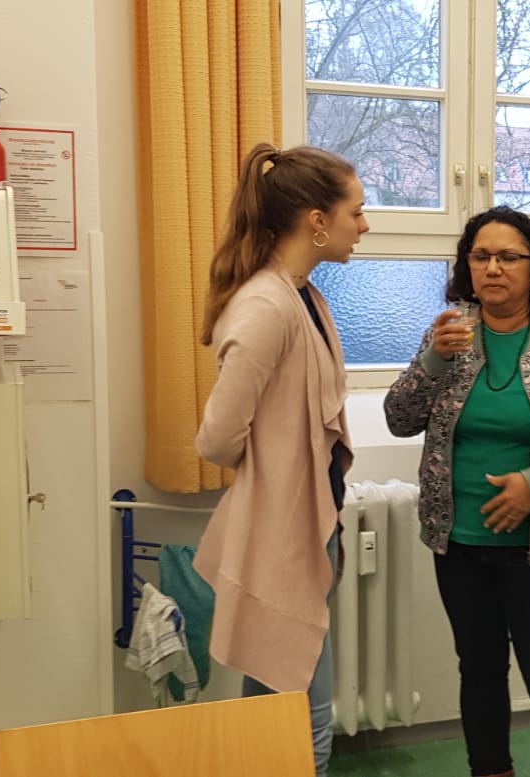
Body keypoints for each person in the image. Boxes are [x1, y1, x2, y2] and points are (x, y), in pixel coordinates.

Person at [384, 206, 530, 777]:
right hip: (459, 540)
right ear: (467, 266)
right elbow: (399, 419)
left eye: (509, 257)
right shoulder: (449, 332)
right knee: (480, 672)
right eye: (481, 256)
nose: (493, 268)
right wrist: (433, 360)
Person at [192, 142, 368, 777]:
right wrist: (273, 463)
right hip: (281, 530)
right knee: (301, 712)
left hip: (303, 526)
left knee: (274, 696)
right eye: (356, 211)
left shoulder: (303, 296)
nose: (364, 225)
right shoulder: (267, 304)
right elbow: (216, 439)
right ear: (317, 220)